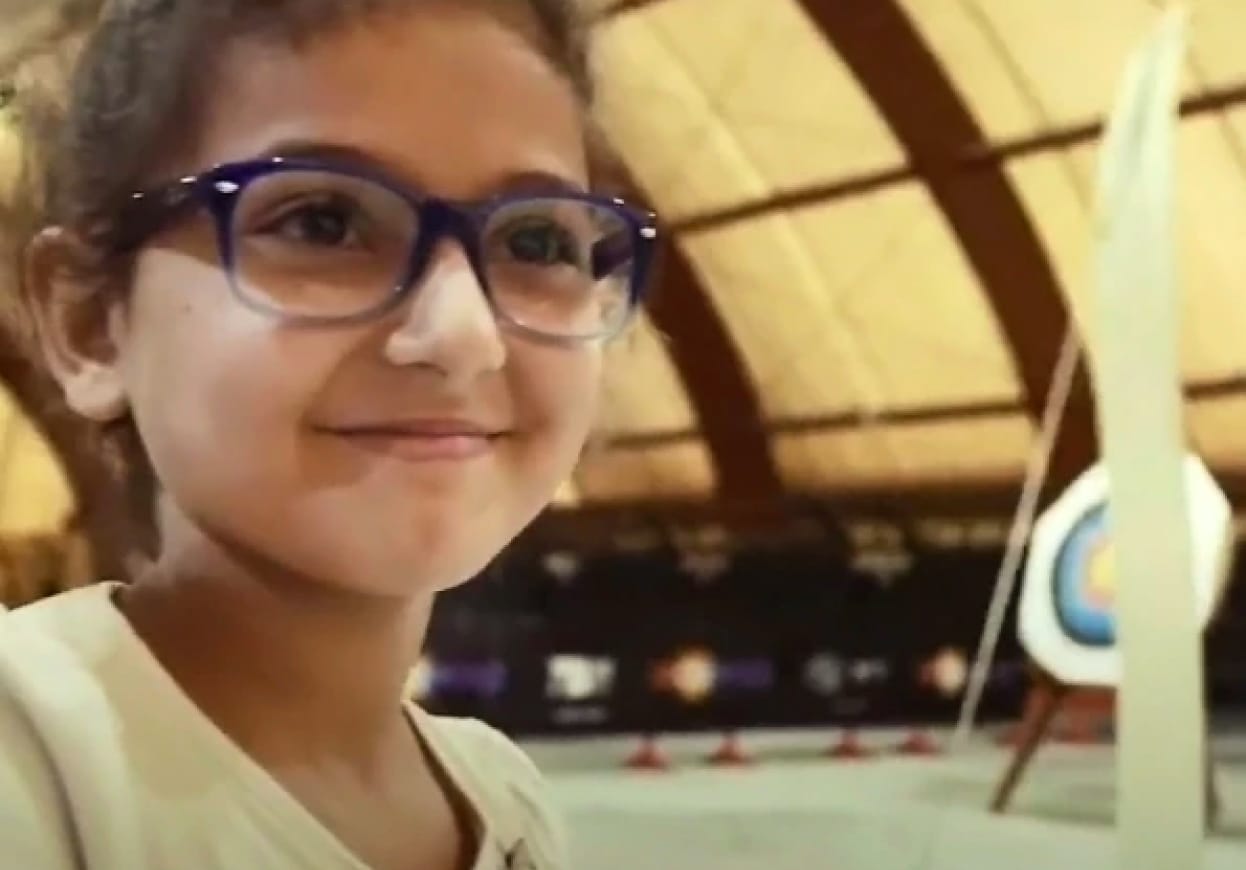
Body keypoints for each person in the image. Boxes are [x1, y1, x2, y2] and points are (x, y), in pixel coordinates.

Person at [0, 1, 656, 868]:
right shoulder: (34, 759)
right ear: (90, 323)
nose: (464, 333)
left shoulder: (505, 799)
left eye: (536, 240)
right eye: (323, 223)